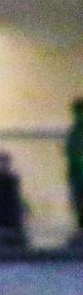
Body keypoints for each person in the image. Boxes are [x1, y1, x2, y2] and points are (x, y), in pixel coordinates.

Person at [67, 98, 83, 244]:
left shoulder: (74, 133)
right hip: (77, 179)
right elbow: (72, 155)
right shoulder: (74, 133)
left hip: (77, 178)